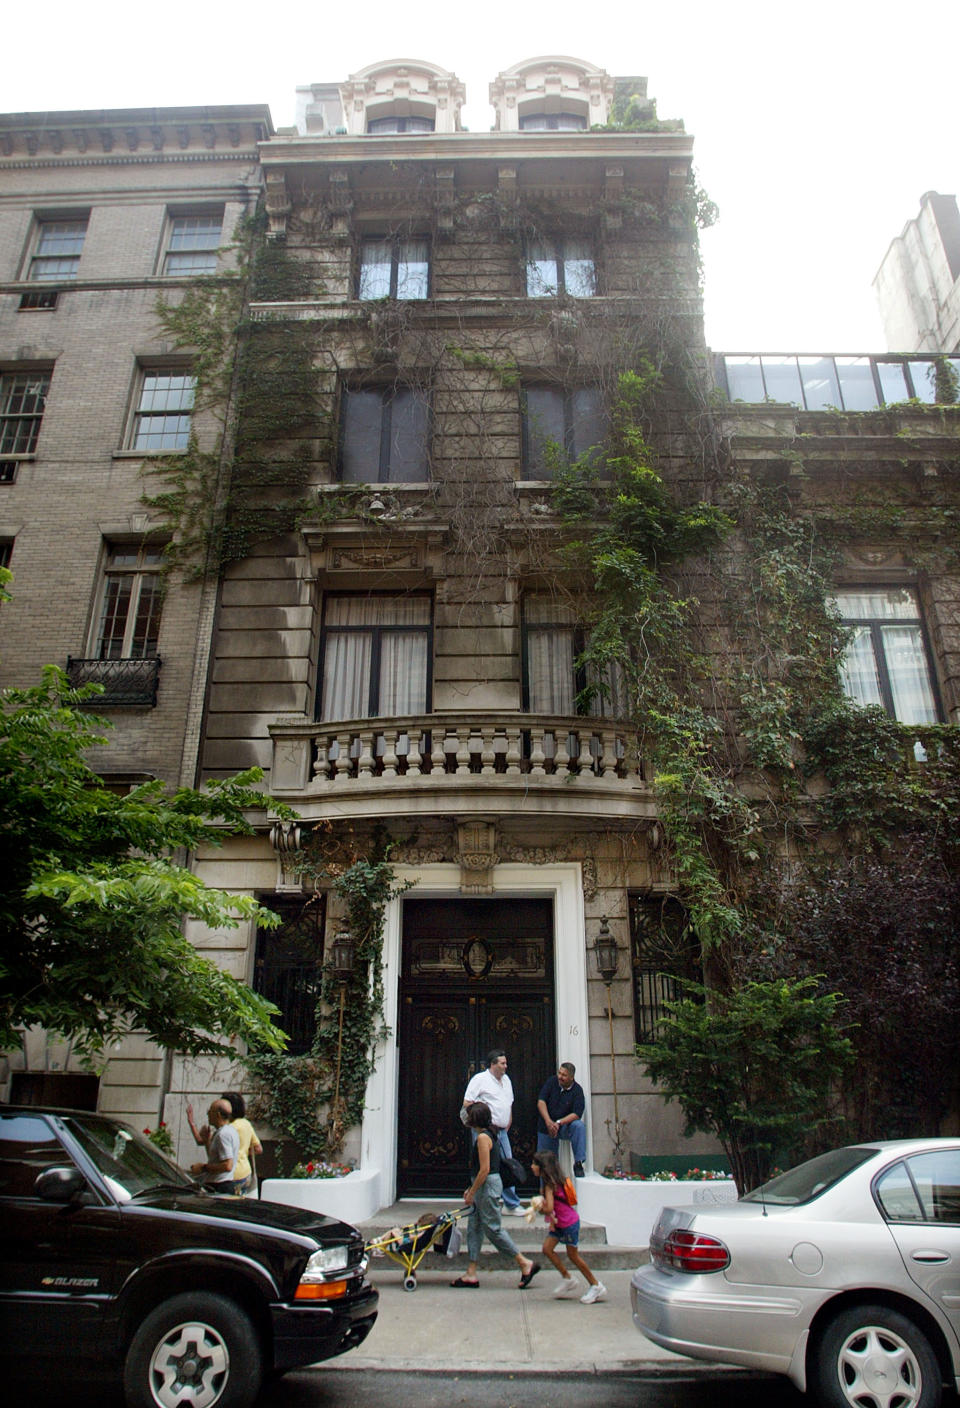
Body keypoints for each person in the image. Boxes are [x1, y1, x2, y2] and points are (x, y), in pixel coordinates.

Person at [451, 1103, 540, 1290]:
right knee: (474, 1227)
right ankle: (471, 1272)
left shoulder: (483, 1138)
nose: (466, 1119)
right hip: (484, 1185)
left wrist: (472, 1191)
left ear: (475, 1119)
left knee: (493, 1228)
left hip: (487, 1186)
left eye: (469, 1116)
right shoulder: (490, 1134)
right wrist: (472, 1188)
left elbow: (485, 1170)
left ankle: (524, 1263)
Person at [531, 1148, 606, 1304]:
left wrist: (538, 1209)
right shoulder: (553, 1182)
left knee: (573, 1255)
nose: (532, 1166)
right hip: (560, 1224)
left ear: (543, 1167)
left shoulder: (549, 1185)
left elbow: (550, 1208)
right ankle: (567, 1277)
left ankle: (595, 1285)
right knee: (547, 1249)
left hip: (568, 1224)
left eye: (535, 1164)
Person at [462, 1049, 524, 1213]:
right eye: (502, 1063)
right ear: (493, 1064)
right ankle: (477, 1201)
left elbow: (508, 1101)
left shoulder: (507, 1080)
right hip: (484, 1131)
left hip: (502, 1131)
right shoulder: (480, 1080)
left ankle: (511, 1203)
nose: (505, 1066)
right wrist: (481, 1122)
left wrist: (508, 1118)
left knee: (508, 1164)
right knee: (482, 1165)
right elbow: (468, 1103)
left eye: (505, 1063)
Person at [536, 1061, 587, 1177]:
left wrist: (559, 1123)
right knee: (545, 1164)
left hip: (564, 1126)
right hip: (546, 1126)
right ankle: (545, 1191)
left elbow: (577, 1114)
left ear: (571, 1077)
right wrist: (549, 1122)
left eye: (564, 1075)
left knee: (579, 1126)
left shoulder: (577, 1090)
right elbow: (541, 1102)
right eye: (559, 1073)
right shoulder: (551, 1082)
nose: (560, 1077)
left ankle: (578, 1163)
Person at [190, 1098, 239, 1194]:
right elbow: (215, 1158)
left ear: (218, 1115)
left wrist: (203, 1167)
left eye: (210, 1111)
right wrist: (207, 1140)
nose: (207, 1114)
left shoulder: (223, 1134)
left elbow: (227, 1165)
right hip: (219, 1184)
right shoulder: (228, 1131)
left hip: (220, 1186)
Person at [222, 1091, 262, 1196]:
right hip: (246, 1172)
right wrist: (243, 1152)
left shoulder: (228, 1129)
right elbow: (258, 1148)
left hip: (232, 1174)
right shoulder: (246, 1124)